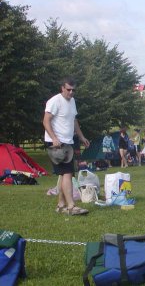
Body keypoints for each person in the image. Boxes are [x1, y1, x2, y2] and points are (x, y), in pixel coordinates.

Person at [43, 77, 90, 216]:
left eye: (73, 90)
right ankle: (71, 206)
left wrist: (81, 137)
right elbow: (46, 121)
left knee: (65, 175)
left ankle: (61, 204)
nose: (71, 92)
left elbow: (74, 120)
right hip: (56, 143)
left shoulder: (72, 101)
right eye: (68, 89)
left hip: (68, 141)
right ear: (62, 88)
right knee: (67, 173)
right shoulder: (54, 101)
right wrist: (54, 138)